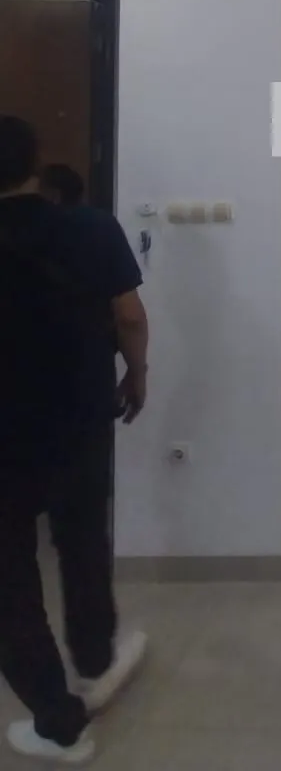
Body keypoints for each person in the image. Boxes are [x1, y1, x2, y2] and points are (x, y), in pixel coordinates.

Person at [0, 117, 149, 764]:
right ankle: (94, 659)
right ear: (36, 164)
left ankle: (57, 721)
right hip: (80, 416)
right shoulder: (91, 228)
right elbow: (129, 315)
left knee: (8, 575)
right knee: (82, 540)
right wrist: (136, 375)